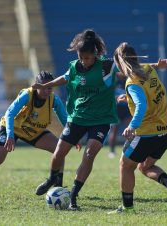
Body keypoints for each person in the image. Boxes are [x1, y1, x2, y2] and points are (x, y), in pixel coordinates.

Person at [33, 29, 120, 210]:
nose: (84, 61)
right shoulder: (75, 67)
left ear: (95, 54)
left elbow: (128, 67)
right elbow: (65, 78)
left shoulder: (106, 66)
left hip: (101, 119)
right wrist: (46, 85)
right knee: (58, 154)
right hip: (78, 117)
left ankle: (73, 196)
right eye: (81, 58)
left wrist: (156, 65)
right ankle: (52, 179)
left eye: (87, 58)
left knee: (89, 154)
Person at [0, 71, 68, 200]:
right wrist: (10, 135)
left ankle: (58, 187)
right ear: (37, 86)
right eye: (43, 87)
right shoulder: (27, 95)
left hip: (33, 131)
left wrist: (72, 136)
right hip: (12, 128)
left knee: (60, 149)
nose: (47, 91)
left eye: (50, 87)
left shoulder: (54, 100)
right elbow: (9, 114)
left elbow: (65, 119)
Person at [108, 42, 167, 214]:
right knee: (144, 167)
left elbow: (141, 104)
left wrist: (131, 127)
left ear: (121, 63)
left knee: (125, 165)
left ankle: (127, 208)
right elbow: (144, 89)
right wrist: (127, 96)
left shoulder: (132, 82)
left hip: (147, 133)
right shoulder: (148, 69)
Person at [107, 79, 132, 158]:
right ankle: (112, 151)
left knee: (131, 129)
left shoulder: (129, 79)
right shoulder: (113, 79)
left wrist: (128, 99)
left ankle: (130, 150)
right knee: (114, 130)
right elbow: (108, 95)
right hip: (117, 109)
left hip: (128, 109)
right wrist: (118, 98)